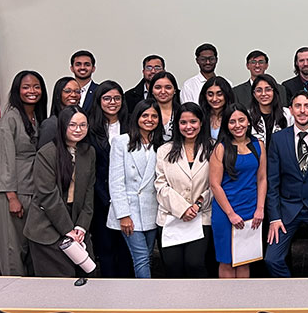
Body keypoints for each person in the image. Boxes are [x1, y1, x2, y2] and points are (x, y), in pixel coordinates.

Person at [265, 91, 308, 277]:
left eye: (307, 106)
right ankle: (291, 290)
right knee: (272, 259)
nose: (302, 110)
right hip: (287, 209)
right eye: (298, 106)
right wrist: (274, 218)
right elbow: (272, 183)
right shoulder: (278, 139)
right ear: (291, 110)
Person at [23, 106, 96, 277]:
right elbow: (48, 195)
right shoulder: (47, 153)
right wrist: (67, 230)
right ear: (63, 126)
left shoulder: (89, 152)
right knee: (60, 282)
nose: (78, 130)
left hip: (76, 221)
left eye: (83, 125)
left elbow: (89, 192)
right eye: (72, 125)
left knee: (88, 274)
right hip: (47, 226)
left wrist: (81, 226)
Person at [0, 70, 47, 276]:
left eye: (36, 87)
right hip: (10, 192)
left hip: (30, 187)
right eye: (26, 87)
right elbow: (3, 160)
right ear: (17, 90)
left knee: (27, 246)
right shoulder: (10, 119)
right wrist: (12, 197)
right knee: (12, 248)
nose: (32, 91)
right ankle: (12, 289)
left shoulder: (36, 117)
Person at [156, 102, 214, 278]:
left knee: (195, 263)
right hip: (171, 216)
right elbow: (160, 185)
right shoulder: (164, 150)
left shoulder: (213, 148)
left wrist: (198, 205)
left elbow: (217, 184)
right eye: (183, 122)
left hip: (201, 215)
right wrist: (182, 209)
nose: (189, 127)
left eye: (193, 121)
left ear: (201, 123)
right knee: (172, 266)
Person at [108, 100, 164, 278]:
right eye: (145, 115)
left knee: (147, 256)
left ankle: (141, 290)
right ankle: (146, 294)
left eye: (154, 116)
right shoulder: (121, 142)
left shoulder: (161, 144)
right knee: (141, 258)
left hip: (152, 209)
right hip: (129, 210)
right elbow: (116, 182)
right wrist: (123, 215)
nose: (149, 119)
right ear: (137, 117)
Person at [210, 104, 267, 278]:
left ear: (248, 121)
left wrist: (260, 208)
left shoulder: (258, 145)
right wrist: (231, 214)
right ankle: (227, 297)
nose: (237, 125)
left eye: (241, 120)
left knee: (245, 259)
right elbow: (215, 185)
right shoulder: (221, 148)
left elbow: (262, 178)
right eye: (232, 121)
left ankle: (244, 296)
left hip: (250, 209)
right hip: (226, 211)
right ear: (226, 125)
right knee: (226, 261)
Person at [86, 80, 131, 278]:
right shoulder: (90, 127)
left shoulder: (131, 125)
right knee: (105, 248)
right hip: (100, 197)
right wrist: (106, 197)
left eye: (116, 98)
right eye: (107, 98)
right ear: (99, 101)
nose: (112, 102)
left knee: (126, 249)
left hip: (127, 197)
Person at [249, 73, 293, 145]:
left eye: (268, 90)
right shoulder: (248, 116)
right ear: (254, 94)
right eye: (259, 90)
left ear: (274, 92)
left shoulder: (288, 114)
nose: (263, 94)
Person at [37, 76, 80, 148]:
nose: (73, 95)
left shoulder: (80, 121)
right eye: (67, 91)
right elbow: (43, 153)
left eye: (77, 91)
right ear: (58, 94)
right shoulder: (51, 124)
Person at [148, 70, 180, 141]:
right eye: (158, 87)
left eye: (168, 87)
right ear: (152, 90)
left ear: (174, 90)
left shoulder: (181, 112)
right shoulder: (144, 113)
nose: (163, 91)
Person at [199, 76, 234, 141]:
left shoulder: (234, 116)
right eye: (210, 95)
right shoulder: (200, 116)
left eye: (219, 94)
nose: (214, 99)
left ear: (227, 95)